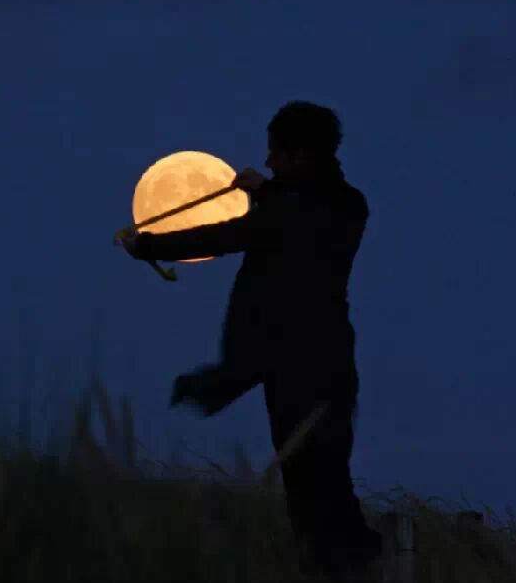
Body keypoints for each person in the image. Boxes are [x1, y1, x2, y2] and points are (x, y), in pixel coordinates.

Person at [119, 100, 382, 580]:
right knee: (319, 479)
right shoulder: (341, 204)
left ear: (300, 156)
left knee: (314, 483)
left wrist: (149, 246)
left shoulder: (312, 208)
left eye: (276, 154)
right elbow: (291, 214)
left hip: (301, 368)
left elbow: (225, 236)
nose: (267, 163)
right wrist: (270, 191)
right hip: (323, 365)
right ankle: (348, 565)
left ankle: (347, 565)